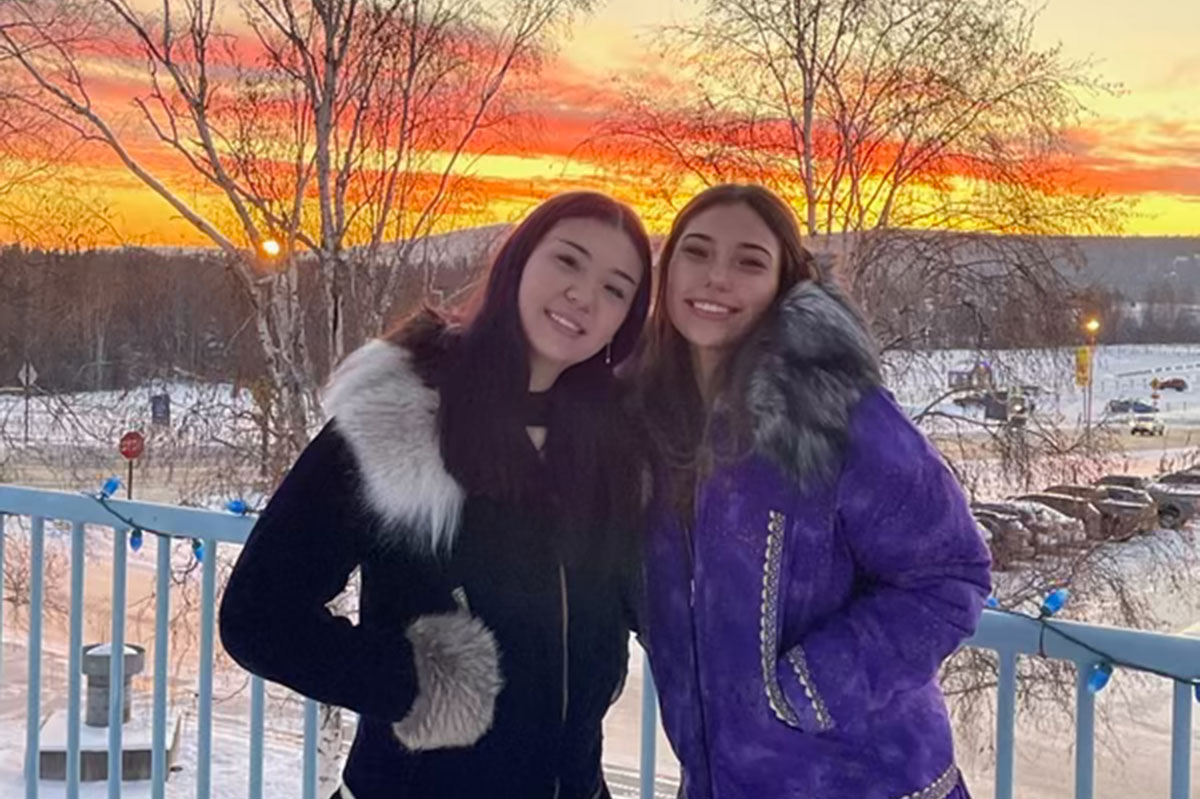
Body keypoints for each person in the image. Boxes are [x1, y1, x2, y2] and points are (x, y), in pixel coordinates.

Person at [219, 191, 652, 799]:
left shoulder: (609, 444)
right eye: (568, 261)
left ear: (625, 322)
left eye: (616, 289)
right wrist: (419, 684)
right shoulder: (401, 416)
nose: (585, 295)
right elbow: (258, 616)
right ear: (518, 265)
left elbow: (648, 601)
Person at [632, 184, 992, 799]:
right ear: (667, 273)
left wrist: (809, 687)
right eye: (697, 252)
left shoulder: (835, 412)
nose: (717, 277)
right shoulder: (645, 421)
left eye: (749, 261)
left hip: (867, 782)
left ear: (783, 283)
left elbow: (951, 575)